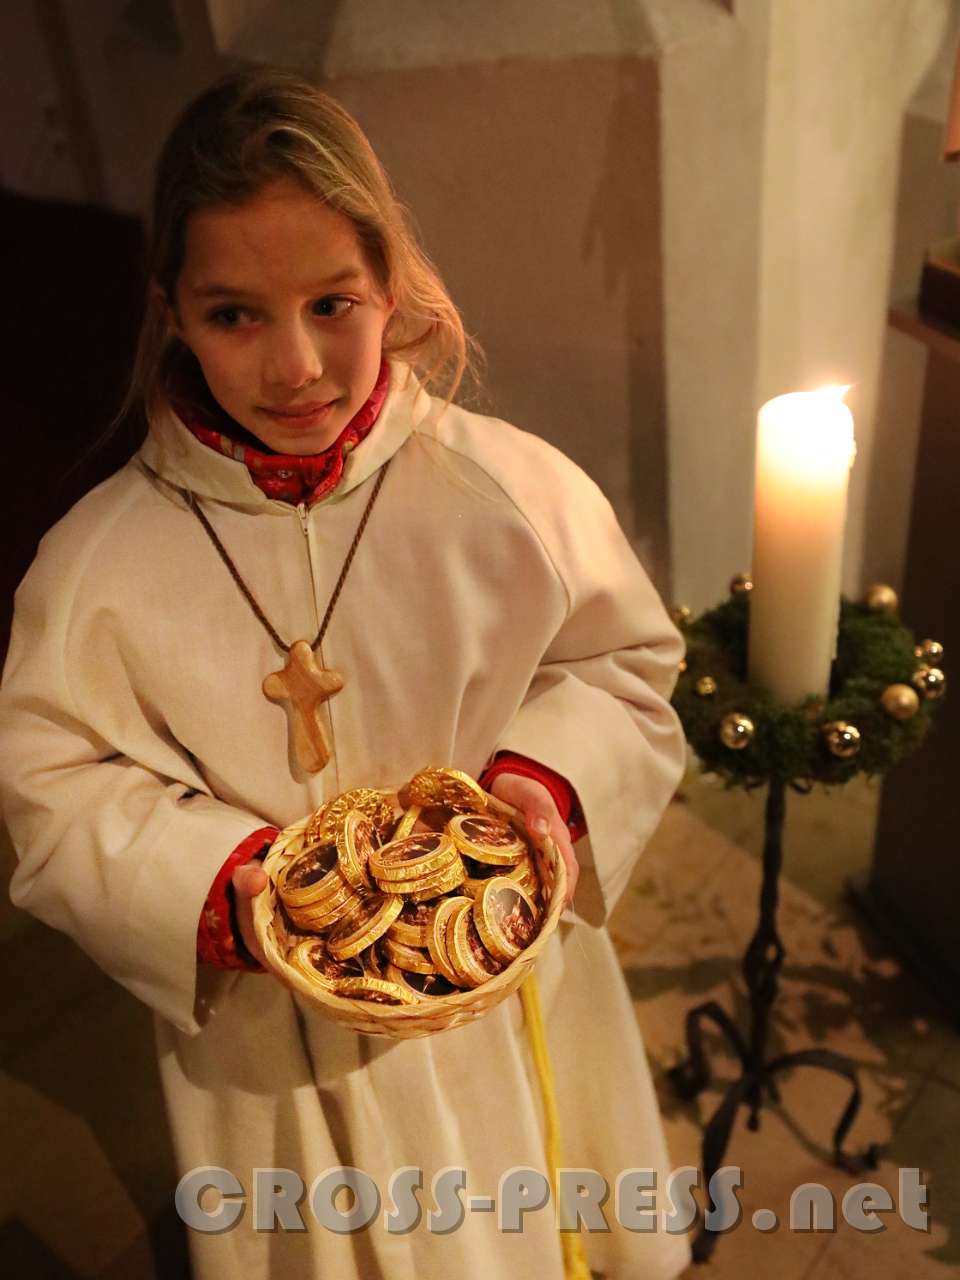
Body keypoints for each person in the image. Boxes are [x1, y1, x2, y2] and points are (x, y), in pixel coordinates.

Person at [0, 66, 691, 1280]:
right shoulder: (99, 564)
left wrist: (545, 781)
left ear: (393, 285)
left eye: (333, 302)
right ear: (169, 309)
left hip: (493, 989)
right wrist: (223, 883)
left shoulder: (506, 492)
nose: (297, 367)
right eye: (235, 316)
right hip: (268, 1043)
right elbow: (50, 787)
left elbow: (624, 665)